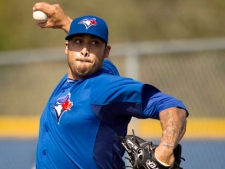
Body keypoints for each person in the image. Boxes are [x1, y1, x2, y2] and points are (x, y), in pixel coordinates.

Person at [33, 2, 188, 169]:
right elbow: (96, 59)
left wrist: (165, 150)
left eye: (94, 44)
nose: (85, 50)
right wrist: (65, 23)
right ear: (67, 47)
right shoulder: (77, 78)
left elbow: (172, 107)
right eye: (78, 41)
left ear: (106, 51)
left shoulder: (105, 88)